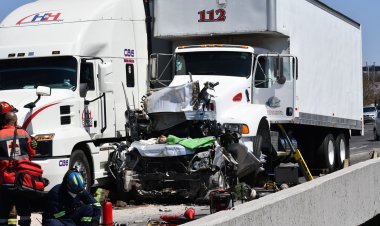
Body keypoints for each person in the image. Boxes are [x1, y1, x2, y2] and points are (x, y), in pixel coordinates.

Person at [0, 111, 36, 226]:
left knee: (3, 211)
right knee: (24, 209)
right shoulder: (24, 134)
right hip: (22, 179)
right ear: (15, 121)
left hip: (5, 179)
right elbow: (32, 153)